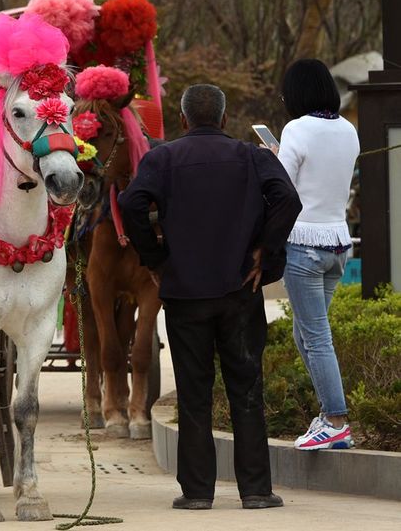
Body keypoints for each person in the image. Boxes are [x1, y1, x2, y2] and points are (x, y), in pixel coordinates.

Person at [118, 84, 301, 510]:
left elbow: (131, 204)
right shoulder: (251, 156)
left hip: (183, 292)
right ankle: (255, 490)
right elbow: (288, 199)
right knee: (247, 387)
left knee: (194, 391)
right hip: (241, 289)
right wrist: (266, 251)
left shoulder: (161, 158)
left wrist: (155, 260)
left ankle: (197, 492)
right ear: (223, 118)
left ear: (182, 120)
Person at [276, 59, 359, 451]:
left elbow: (282, 187)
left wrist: (275, 156)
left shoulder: (296, 129)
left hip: (304, 245)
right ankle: (330, 416)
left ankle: (336, 419)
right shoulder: (349, 130)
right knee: (306, 333)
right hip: (338, 246)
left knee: (316, 336)